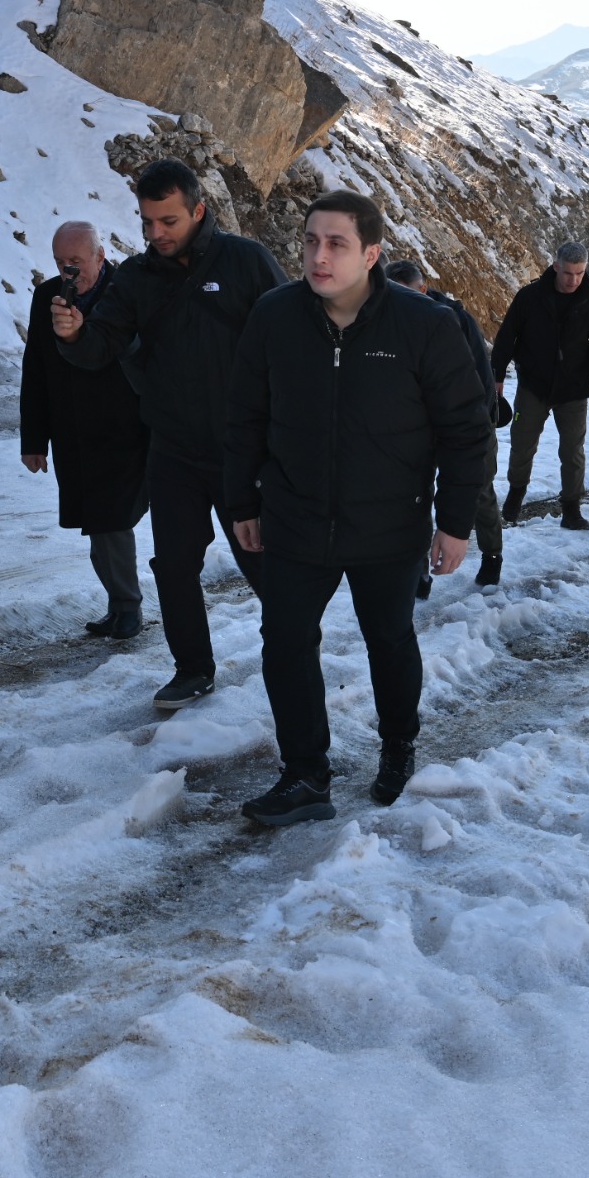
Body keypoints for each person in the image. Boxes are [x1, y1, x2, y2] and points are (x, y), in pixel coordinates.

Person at [225, 192, 492, 826]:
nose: (318, 256)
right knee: (285, 643)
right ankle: (305, 775)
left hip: (389, 521)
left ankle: (398, 747)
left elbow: (466, 430)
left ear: (371, 254)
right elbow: (244, 416)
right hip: (295, 516)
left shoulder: (424, 325)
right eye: (311, 241)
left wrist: (455, 523)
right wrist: (242, 501)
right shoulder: (274, 316)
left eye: (336, 243)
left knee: (389, 639)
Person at [52, 159, 285, 711]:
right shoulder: (136, 277)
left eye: (168, 221)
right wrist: (76, 334)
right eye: (147, 221)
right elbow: (102, 345)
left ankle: (293, 645)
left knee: (262, 560)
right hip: (174, 449)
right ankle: (192, 669)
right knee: (174, 565)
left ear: (198, 210)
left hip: (242, 450)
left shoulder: (246, 261)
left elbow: (293, 343)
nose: (156, 233)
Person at [21, 221, 150, 638]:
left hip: (124, 429)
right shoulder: (48, 297)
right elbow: (35, 370)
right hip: (73, 432)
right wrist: (34, 440)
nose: (68, 271)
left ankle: (127, 608)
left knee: (111, 520)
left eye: (75, 261)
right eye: (60, 262)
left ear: (100, 256)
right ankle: (119, 605)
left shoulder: (129, 291)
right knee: (96, 524)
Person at [388, 259, 505, 590]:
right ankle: (419, 571)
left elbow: (481, 377)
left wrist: (481, 425)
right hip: (417, 428)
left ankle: (492, 556)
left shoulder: (455, 321)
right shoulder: (386, 323)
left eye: (408, 294)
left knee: (479, 491)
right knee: (415, 496)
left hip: (467, 424)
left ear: (423, 289)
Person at [492, 241, 589, 530]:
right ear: (556, 266)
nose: (574, 280)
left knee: (572, 451)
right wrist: (496, 377)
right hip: (532, 386)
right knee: (522, 445)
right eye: (569, 273)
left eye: (580, 273)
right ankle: (515, 497)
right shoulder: (530, 296)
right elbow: (507, 336)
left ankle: (572, 508)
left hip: (574, 390)